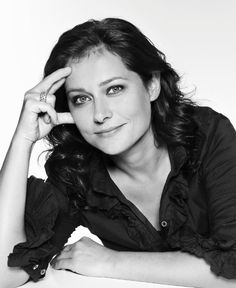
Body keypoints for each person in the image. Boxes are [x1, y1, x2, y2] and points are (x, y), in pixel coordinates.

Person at [0, 18, 236, 288]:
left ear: (152, 86)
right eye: (82, 99)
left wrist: (111, 262)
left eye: (114, 89)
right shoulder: (75, 172)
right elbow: (5, 273)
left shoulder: (207, 135)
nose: (100, 115)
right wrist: (23, 138)